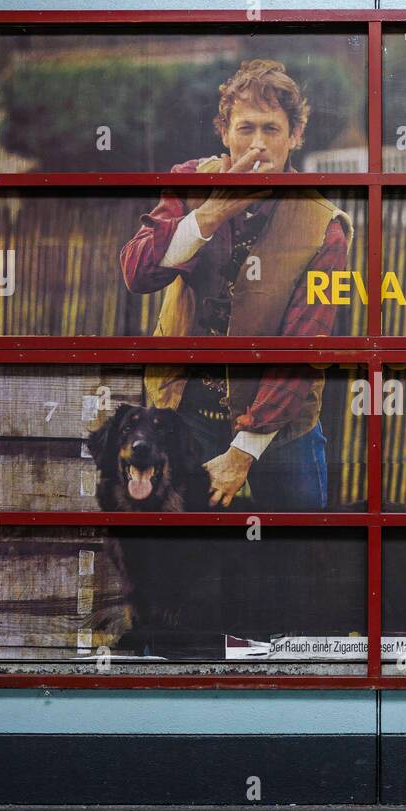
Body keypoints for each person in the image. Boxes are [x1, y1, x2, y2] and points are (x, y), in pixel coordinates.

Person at [119, 59, 352, 511]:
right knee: (184, 562)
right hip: (185, 410)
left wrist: (244, 451)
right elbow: (137, 273)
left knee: (297, 564)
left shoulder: (325, 227)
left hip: (281, 427)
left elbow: (303, 350)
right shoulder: (189, 183)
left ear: (296, 136)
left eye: (272, 129)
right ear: (224, 131)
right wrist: (210, 213)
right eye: (246, 128)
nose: (259, 144)